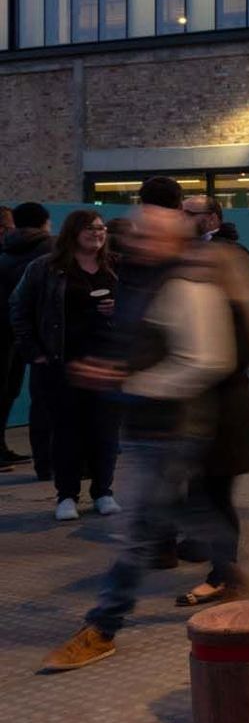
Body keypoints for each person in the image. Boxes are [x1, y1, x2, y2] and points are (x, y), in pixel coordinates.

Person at [41, 203, 238, 672]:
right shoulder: (141, 281)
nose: (133, 239)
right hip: (148, 426)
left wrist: (129, 383)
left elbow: (207, 361)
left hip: (173, 427)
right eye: (134, 232)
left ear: (172, 240)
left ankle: (104, 626)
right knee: (187, 513)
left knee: (135, 535)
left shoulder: (187, 289)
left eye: (149, 234)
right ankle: (234, 573)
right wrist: (115, 371)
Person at [177, 196, 249, 607]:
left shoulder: (229, 309)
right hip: (214, 417)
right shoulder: (217, 305)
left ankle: (226, 574)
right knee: (208, 496)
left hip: (222, 419)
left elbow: (218, 363)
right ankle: (223, 569)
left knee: (212, 497)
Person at [9, 210, 121, 521]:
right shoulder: (44, 268)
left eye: (101, 228)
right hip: (60, 362)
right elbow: (19, 309)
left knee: (105, 432)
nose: (97, 234)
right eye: (90, 228)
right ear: (73, 232)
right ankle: (67, 495)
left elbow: (140, 308)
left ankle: (103, 492)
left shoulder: (115, 267)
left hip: (106, 363)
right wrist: (34, 351)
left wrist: (119, 308)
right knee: (65, 431)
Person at [0, 202, 55, 475]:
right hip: (32, 331)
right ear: (45, 221)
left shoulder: (6, 249)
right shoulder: (50, 250)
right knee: (26, 393)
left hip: (10, 328)